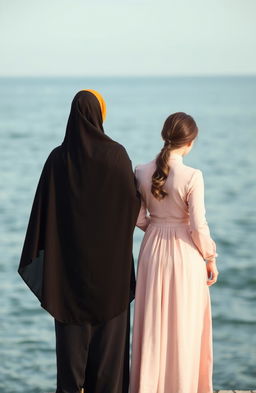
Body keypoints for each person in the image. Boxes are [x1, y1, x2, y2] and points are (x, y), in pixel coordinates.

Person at [18, 89, 141, 393]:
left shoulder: (57, 159)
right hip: (111, 278)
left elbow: (41, 214)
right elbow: (131, 207)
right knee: (109, 367)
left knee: (70, 369)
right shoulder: (116, 155)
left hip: (69, 280)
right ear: (100, 115)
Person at [129, 112, 219, 393]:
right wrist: (210, 257)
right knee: (184, 327)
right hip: (185, 255)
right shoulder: (193, 176)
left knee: (153, 324)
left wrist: (157, 229)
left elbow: (138, 217)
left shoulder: (141, 171)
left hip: (152, 251)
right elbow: (198, 225)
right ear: (190, 142)